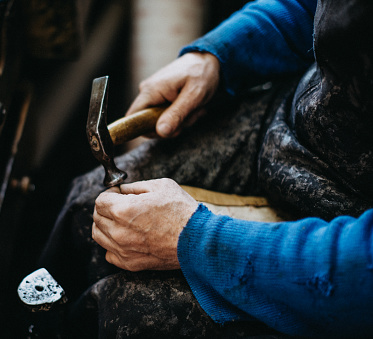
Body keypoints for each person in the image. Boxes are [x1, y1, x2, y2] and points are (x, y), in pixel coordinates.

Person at [35, 0, 373, 337]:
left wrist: (198, 240)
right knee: (87, 206)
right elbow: (310, 6)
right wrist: (218, 56)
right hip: (297, 121)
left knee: (125, 308)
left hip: (345, 250)